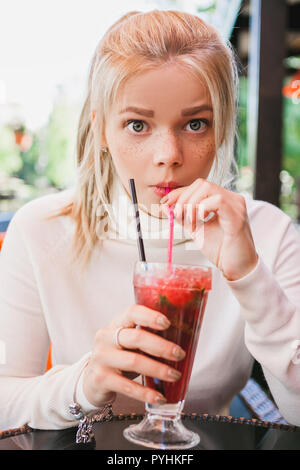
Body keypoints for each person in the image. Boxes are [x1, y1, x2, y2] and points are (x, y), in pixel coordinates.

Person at [0, 10, 300, 435]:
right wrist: (84, 383)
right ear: (101, 128)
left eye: (195, 124)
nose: (168, 155)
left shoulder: (265, 232)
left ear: (220, 128)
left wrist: (249, 275)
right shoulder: (41, 229)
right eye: (137, 125)